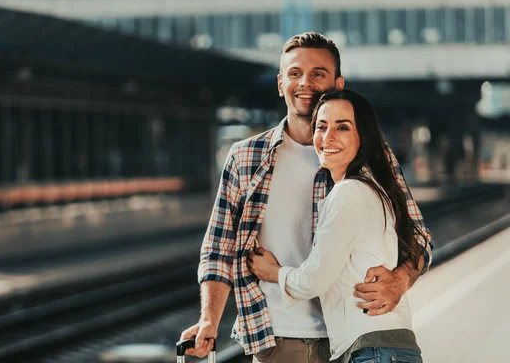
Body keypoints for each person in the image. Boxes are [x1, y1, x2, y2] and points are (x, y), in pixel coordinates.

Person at [179, 32, 433, 363]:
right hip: (278, 340)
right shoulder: (245, 158)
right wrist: (209, 319)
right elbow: (219, 249)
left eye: (318, 74)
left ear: (337, 84)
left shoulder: (370, 154)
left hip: (353, 339)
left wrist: (400, 280)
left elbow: (419, 238)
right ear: (280, 82)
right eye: (295, 73)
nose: (305, 83)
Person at [248, 89, 425, 362]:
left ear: (362, 137)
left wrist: (274, 272)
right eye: (321, 126)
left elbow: (313, 280)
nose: (327, 137)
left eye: (342, 127)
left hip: (373, 350)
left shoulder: (348, 193)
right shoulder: (377, 189)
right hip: (389, 347)